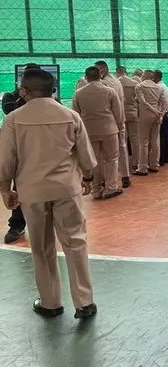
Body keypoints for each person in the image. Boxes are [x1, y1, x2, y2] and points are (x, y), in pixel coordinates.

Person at [0, 68, 98, 319]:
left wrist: (5, 190)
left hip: (32, 191)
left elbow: (6, 160)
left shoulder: (14, 119)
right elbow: (86, 155)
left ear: (24, 91)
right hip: (66, 188)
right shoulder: (70, 116)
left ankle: (51, 302)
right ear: (52, 89)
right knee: (76, 242)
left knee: (42, 248)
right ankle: (85, 302)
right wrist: (87, 177)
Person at [0, 63, 39, 244]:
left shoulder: (50, 101)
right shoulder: (12, 97)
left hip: (42, 151)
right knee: (20, 189)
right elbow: (9, 109)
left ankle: (49, 225)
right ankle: (16, 224)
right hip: (21, 152)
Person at [72, 66, 124, 200]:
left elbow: (76, 113)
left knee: (93, 160)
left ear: (86, 77)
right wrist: (120, 126)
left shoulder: (79, 93)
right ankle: (111, 188)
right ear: (100, 76)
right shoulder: (109, 91)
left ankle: (96, 189)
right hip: (109, 130)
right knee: (111, 159)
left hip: (88, 131)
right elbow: (118, 113)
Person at [95, 60, 130, 187]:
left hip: (109, 121)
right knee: (122, 147)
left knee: (109, 155)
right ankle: (125, 176)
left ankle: (109, 182)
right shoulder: (117, 81)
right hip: (120, 118)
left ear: (103, 70)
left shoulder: (104, 84)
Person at [133, 70, 166, 176]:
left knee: (143, 141)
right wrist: (160, 114)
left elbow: (143, 102)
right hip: (157, 117)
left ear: (144, 76)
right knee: (155, 140)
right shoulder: (159, 87)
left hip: (145, 116)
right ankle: (154, 165)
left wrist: (154, 111)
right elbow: (164, 102)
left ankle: (143, 168)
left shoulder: (139, 86)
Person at [117, 67, 140, 176]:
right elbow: (138, 99)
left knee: (122, 140)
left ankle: (124, 164)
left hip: (121, 114)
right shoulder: (135, 83)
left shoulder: (116, 83)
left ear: (118, 73)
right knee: (135, 139)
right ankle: (136, 163)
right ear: (126, 72)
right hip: (133, 112)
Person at [153, 70, 168, 166]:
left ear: (156, 78)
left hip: (161, 113)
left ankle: (162, 158)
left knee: (160, 136)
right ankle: (166, 157)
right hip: (164, 112)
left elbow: (160, 103)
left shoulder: (159, 87)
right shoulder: (164, 86)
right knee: (163, 136)